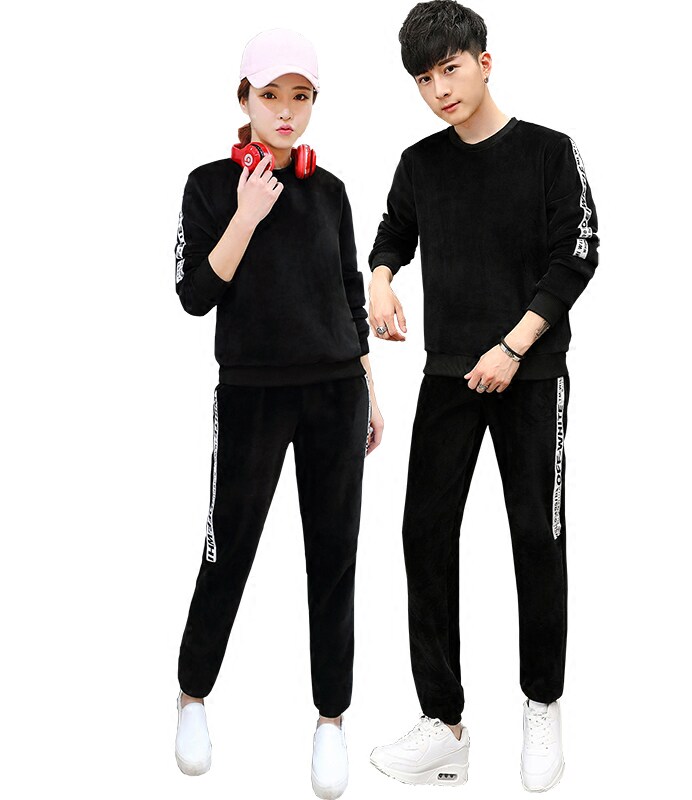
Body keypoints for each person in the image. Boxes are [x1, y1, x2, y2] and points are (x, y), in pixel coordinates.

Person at [365, 0, 599, 791]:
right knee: (423, 536)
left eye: (450, 69)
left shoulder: (549, 152)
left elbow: (577, 255)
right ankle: (444, 724)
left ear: (484, 62)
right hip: (447, 376)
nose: (439, 90)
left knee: (537, 535)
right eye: (424, 80)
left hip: (530, 375)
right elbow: (394, 232)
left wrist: (513, 346)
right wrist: (381, 280)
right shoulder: (419, 163)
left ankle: (542, 703)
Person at [171, 28, 382, 800]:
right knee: (228, 547)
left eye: (301, 96)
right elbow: (195, 295)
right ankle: (193, 696)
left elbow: (350, 295)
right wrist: (247, 213)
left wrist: (370, 387)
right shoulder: (208, 185)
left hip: (336, 392)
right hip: (252, 393)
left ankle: (331, 719)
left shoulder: (332, 191)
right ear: (245, 99)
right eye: (271, 95)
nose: (287, 111)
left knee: (334, 558)